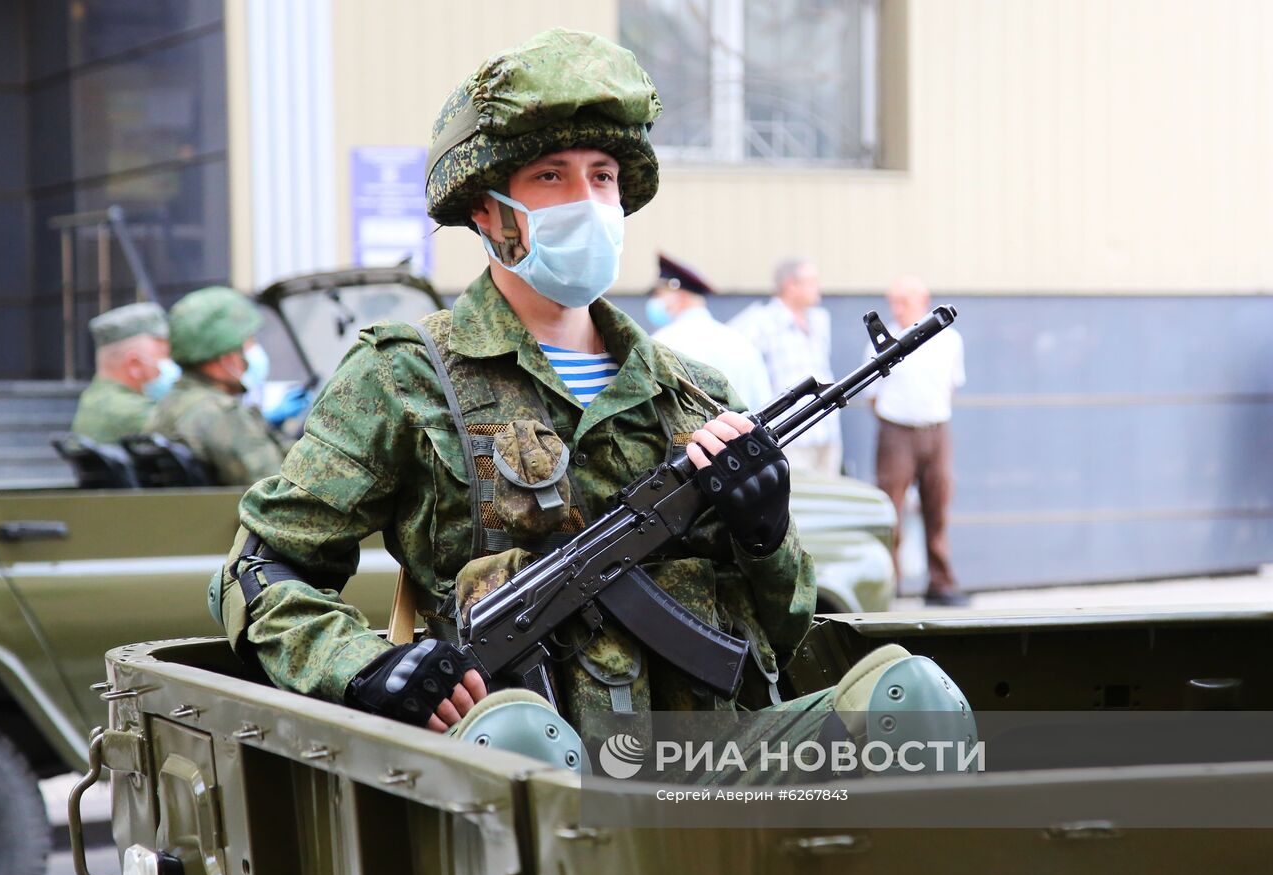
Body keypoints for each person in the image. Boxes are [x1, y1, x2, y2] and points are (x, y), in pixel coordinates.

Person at [213, 29, 968, 752]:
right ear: (486, 209)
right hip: (530, 783)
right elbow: (262, 567)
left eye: (602, 176)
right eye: (551, 176)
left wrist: (766, 533)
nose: (588, 200)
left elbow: (790, 631)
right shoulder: (405, 377)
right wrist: (362, 666)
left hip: (717, 759)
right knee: (521, 741)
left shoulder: (695, 393)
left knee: (915, 700)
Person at [868, 275, 968, 607]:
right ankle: (889, 584)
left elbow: (951, 385)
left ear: (922, 301)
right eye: (893, 301)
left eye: (903, 301)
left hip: (937, 430)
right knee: (890, 507)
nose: (896, 309)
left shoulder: (949, 339)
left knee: (937, 505)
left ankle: (940, 583)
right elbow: (871, 394)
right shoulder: (880, 341)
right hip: (896, 430)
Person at [144, 286, 287, 487]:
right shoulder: (221, 414)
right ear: (225, 358)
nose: (249, 355)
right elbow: (276, 491)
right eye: (246, 344)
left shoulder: (167, 406)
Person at [730, 258, 842, 476]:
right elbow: (737, 364)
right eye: (811, 282)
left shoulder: (819, 319)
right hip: (791, 433)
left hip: (826, 431)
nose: (818, 288)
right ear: (791, 286)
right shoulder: (760, 322)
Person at [646, 253, 773, 409]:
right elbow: (762, 405)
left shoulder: (661, 343)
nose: (655, 302)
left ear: (681, 296)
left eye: (660, 295)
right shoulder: (740, 341)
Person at [70, 302, 177, 443]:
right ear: (134, 365)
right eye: (165, 356)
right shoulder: (133, 412)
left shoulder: (94, 398)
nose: (171, 364)